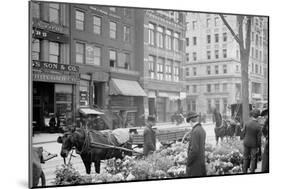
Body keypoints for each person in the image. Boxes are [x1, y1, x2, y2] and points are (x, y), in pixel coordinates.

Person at [186, 111, 206, 177]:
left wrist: (188, 161)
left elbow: (194, 150)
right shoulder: (202, 129)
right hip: (201, 163)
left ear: (191, 121)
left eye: (189, 122)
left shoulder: (195, 131)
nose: (190, 124)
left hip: (195, 166)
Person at [242, 109, 262, 173]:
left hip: (246, 143)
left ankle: (244, 171)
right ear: (258, 116)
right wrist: (259, 147)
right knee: (253, 159)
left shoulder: (247, 123)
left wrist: (245, 139)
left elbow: (243, 133)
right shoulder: (258, 126)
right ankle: (252, 171)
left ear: (252, 115)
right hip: (254, 145)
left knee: (245, 158)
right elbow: (259, 139)